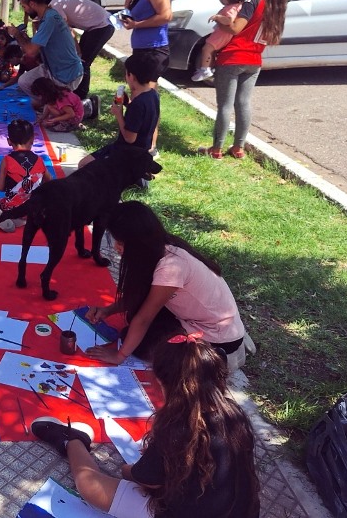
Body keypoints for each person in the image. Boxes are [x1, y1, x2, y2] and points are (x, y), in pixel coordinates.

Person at [31, 336, 260, 517]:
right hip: (242, 511)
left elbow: (144, 479)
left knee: (90, 486)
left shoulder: (176, 426)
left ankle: (72, 439)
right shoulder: (234, 412)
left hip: (178, 510)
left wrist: (127, 470)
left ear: (163, 384)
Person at [83, 201, 254, 371]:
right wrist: (108, 310)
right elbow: (141, 297)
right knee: (134, 318)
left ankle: (209, 361)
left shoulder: (170, 267)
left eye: (120, 243)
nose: (116, 247)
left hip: (219, 340)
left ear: (137, 242)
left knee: (138, 341)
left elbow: (144, 318)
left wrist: (119, 355)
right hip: (207, 322)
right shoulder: (159, 246)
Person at [202, 0, 287, 160]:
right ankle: (238, 148)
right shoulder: (278, 4)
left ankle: (216, 149)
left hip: (233, 57)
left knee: (225, 105)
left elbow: (235, 28)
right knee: (243, 103)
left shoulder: (254, 1)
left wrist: (219, 21)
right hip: (254, 60)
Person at [78, 52, 160, 168]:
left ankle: (124, 174)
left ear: (131, 76)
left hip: (126, 153)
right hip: (141, 150)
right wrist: (127, 103)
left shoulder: (138, 103)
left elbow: (130, 138)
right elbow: (141, 118)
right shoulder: (153, 95)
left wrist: (118, 114)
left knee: (83, 165)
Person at [7, 0, 83, 103]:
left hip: (66, 74)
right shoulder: (47, 16)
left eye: (24, 6)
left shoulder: (50, 18)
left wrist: (17, 34)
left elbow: (31, 52)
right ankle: (50, 105)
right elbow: (35, 47)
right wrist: (25, 39)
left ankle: (62, 105)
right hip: (52, 69)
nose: (25, 10)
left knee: (45, 103)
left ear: (32, 4)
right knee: (24, 82)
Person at [48, 0, 115, 112]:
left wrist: (77, 49)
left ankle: (81, 99)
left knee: (83, 62)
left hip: (103, 26)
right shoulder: (56, 1)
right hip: (95, 26)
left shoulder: (55, 7)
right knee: (79, 59)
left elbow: (67, 30)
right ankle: (77, 96)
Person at [0, 118, 52, 233]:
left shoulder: (7, 160)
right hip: (35, 208)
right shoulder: (39, 160)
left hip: (14, 208)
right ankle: (28, 219)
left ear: (9, 141)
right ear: (32, 139)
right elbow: (49, 181)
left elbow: (0, 187)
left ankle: (6, 218)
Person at [121, 0, 173, 80]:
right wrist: (127, 8)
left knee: (144, 88)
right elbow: (134, 18)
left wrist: (137, 25)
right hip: (141, 48)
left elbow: (166, 16)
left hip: (154, 49)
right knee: (137, 87)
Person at [192, 0, 246, 82]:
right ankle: (208, 67)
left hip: (221, 34)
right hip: (223, 33)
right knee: (211, 50)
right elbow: (225, 1)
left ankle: (205, 70)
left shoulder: (230, 9)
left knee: (207, 48)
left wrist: (218, 17)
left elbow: (229, 20)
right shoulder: (237, 5)